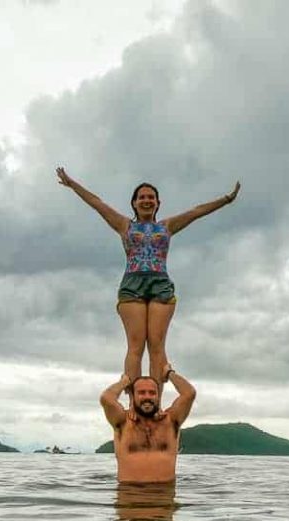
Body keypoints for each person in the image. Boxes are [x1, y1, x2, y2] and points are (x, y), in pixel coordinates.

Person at [57, 168, 239, 382]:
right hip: (132, 285)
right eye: (141, 197)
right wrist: (72, 184)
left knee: (156, 346)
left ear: (158, 203)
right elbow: (97, 203)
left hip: (160, 284)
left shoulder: (167, 226)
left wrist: (226, 199)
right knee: (135, 346)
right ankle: (135, 405)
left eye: (151, 197)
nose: (146, 200)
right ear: (134, 203)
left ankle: (155, 407)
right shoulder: (124, 225)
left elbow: (197, 211)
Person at [100, 364, 195, 483]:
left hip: (163, 496)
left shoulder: (170, 421)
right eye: (141, 392)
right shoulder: (123, 422)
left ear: (158, 396)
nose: (147, 397)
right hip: (129, 495)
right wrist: (124, 382)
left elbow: (189, 393)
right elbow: (106, 398)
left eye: (152, 393)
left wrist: (169, 373)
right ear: (133, 397)